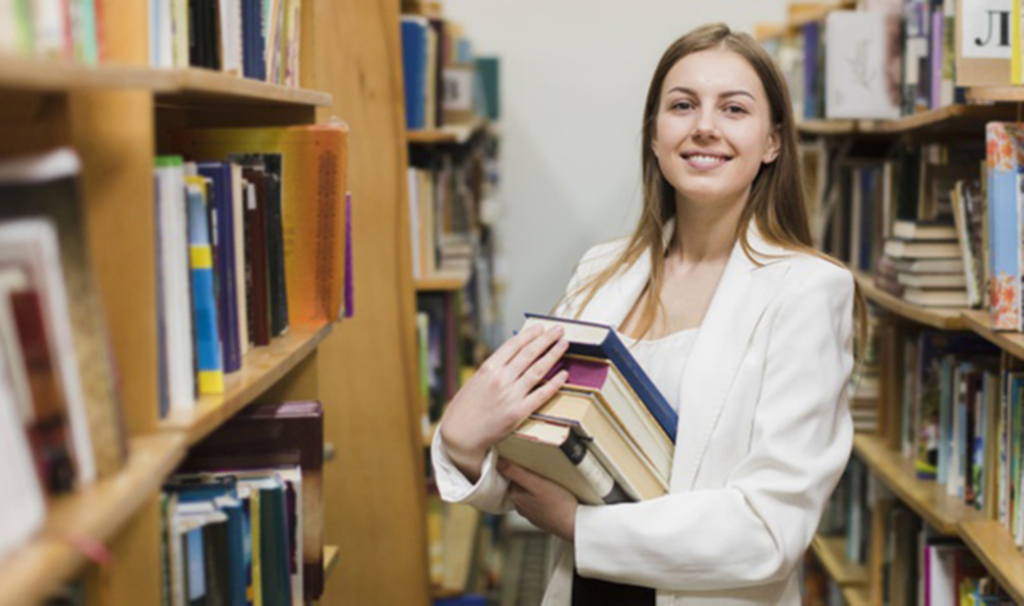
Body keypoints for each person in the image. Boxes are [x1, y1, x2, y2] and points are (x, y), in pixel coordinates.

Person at [431, 22, 859, 606]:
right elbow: (540, 463)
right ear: (655, 135)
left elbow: (769, 530)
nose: (704, 126)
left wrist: (582, 528)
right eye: (682, 105)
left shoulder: (808, 292)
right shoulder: (601, 272)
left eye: (734, 108)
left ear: (772, 142)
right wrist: (463, 444)